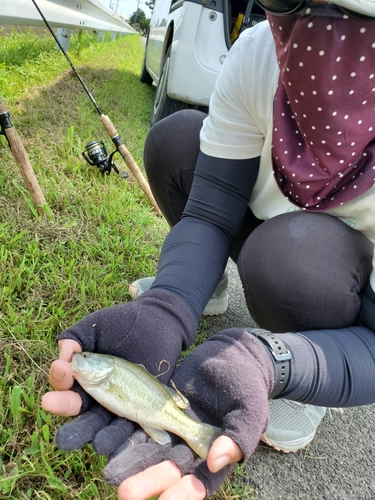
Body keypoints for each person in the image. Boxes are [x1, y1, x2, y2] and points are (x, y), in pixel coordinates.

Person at [42, 0, 375, 499]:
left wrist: (276, 362)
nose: (316, 30)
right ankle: (201, 285)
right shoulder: (260, 53)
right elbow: (209, 211)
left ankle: (307, 364)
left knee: (285, 262)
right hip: (261, 221)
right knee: (177, 141)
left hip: (327, 271)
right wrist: (169, 302)